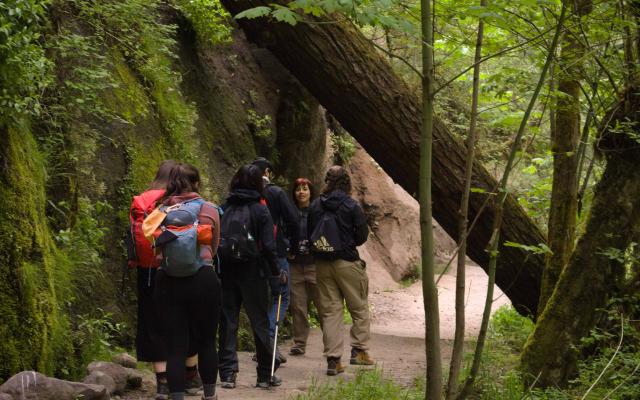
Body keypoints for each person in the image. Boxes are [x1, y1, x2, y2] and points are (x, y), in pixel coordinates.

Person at [127, 160, 202, 400]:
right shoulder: (180, 199)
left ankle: (162, 382)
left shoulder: (142, 199)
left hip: (147, 269)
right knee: (187, 318)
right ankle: (191, 375)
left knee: (152, 322)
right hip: (180, 269)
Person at [152, 163, 221, 400]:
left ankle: (177, 395)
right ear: (197, 183)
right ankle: (210, 395)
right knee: (207, 341)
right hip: (203, 278)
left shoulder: (159, 211)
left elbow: (154, 249)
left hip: (168, 279)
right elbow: (214, 246)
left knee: (174, 344)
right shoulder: (209, 209)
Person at [217, 164, 287, 389]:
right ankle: (265, 375)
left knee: (228, 321)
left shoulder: (225, 206)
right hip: (254, 272)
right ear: (259, 183)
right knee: (259, 322)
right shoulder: (260, 209)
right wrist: (276, 272)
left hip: (226, 270)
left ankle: (228, 374)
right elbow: (268, 246)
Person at [307, 166, 373, 376]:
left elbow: (310, 233)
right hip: (347, 262)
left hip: (322, 264)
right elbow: (362, 235)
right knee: (359, 307)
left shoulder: (316, 205)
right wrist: (347, 242)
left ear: (327, 181)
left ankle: (333, 361)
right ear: (346, 182)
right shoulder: (351, 205)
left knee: (330, 312)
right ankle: (359, 352)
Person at [251, 157, 298, 362]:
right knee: (281, 297)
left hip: (250, 255)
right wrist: (292, 247)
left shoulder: (244, 192)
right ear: (267, 172)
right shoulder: (275, 192)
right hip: (276, 253)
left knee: (259, 300)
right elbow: (294, 220)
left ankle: (261, 345)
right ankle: (269, 342)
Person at [288, 177, 321, 356]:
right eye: (298, 189)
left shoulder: (318, 211)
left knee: (322, 304)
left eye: (305, 189)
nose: (301, 192)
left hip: (314, 264)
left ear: (311, 192)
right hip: (295, 265)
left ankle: (330, 343)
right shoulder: (290, 212)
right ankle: (299, 343)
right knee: (298, 306)